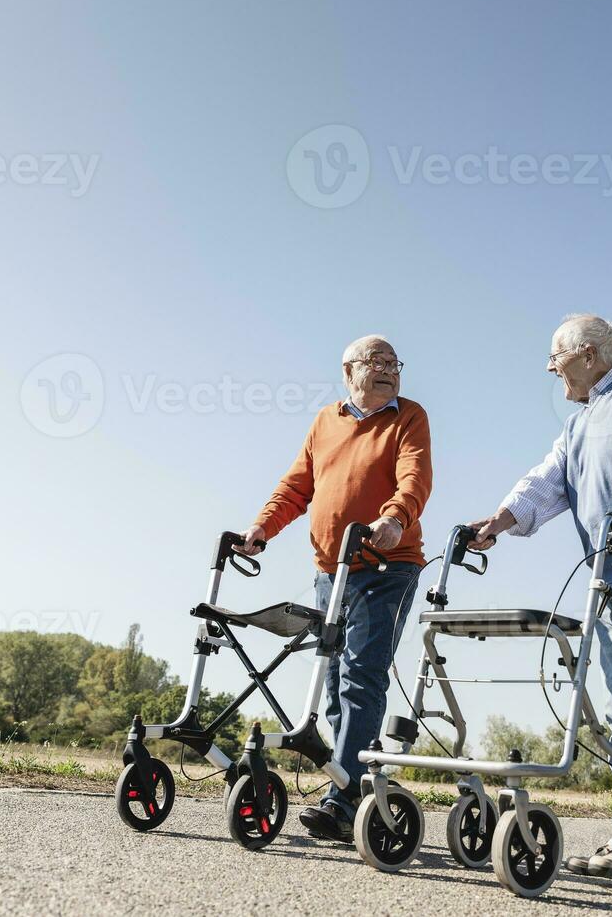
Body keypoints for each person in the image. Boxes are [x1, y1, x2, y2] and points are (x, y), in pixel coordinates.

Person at [466, 313, 612, 881]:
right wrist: (497, 522)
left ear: (589, 352)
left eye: (557, 357)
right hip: (608, 574)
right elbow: (545, 482)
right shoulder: (577, 426)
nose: (552, 368)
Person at [238, 335, 432, 843]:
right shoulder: (326, 420)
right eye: (377, 361)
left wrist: (395, 517)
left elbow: (414, 477)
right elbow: (297, 487)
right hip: (332, 569)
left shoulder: (409, 416)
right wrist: (261, 528)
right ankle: (350, 781)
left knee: (361, 674)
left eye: (395, 362)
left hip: (387, 566)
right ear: (349, 371)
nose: (389, 369)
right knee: (331, 680)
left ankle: (343, 799)